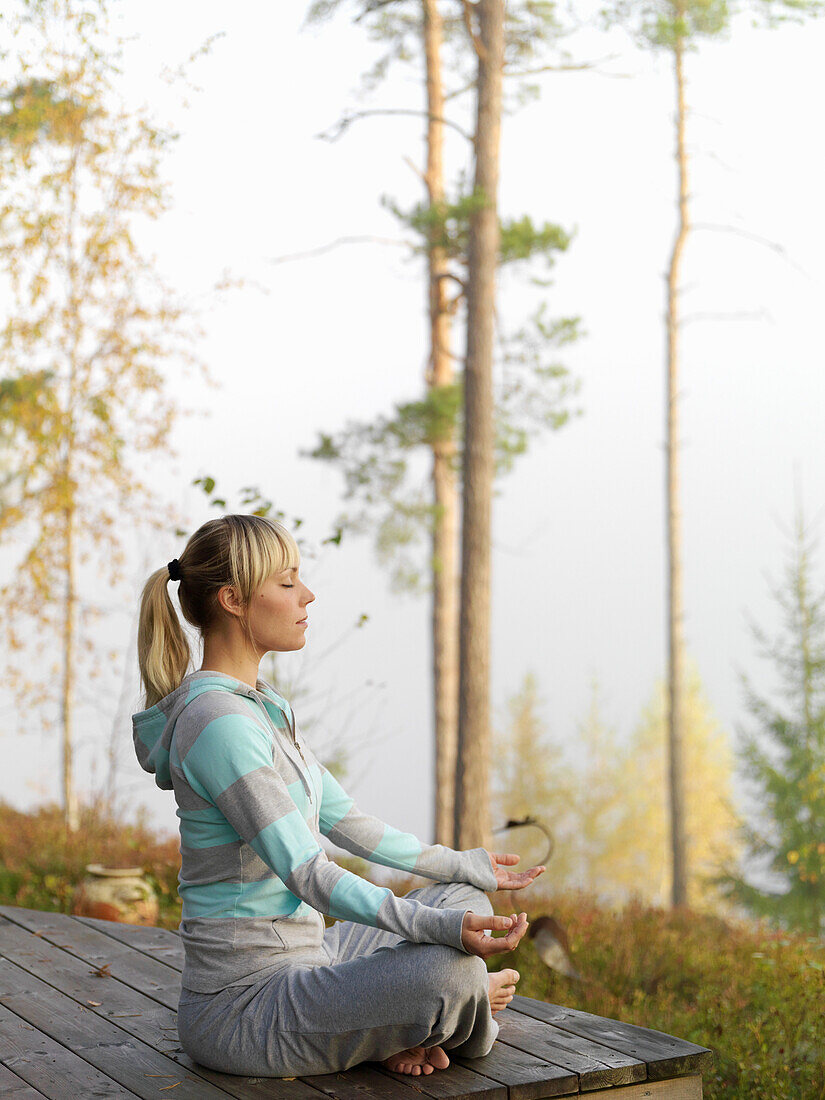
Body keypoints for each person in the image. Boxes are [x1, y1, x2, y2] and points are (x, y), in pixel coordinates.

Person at [133, 514, 544, 1079]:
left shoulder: (261, 711)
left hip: (312, 962)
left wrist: (465, 864)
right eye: (287, 582)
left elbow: (352, 824)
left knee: (459, 893)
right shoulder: (216, 725)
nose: (307, 595)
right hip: (243, 1009)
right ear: (233, 599)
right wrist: (446, 935)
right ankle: (462, 1016)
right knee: (452, 974)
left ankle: (402, 1024)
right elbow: (310, 875)